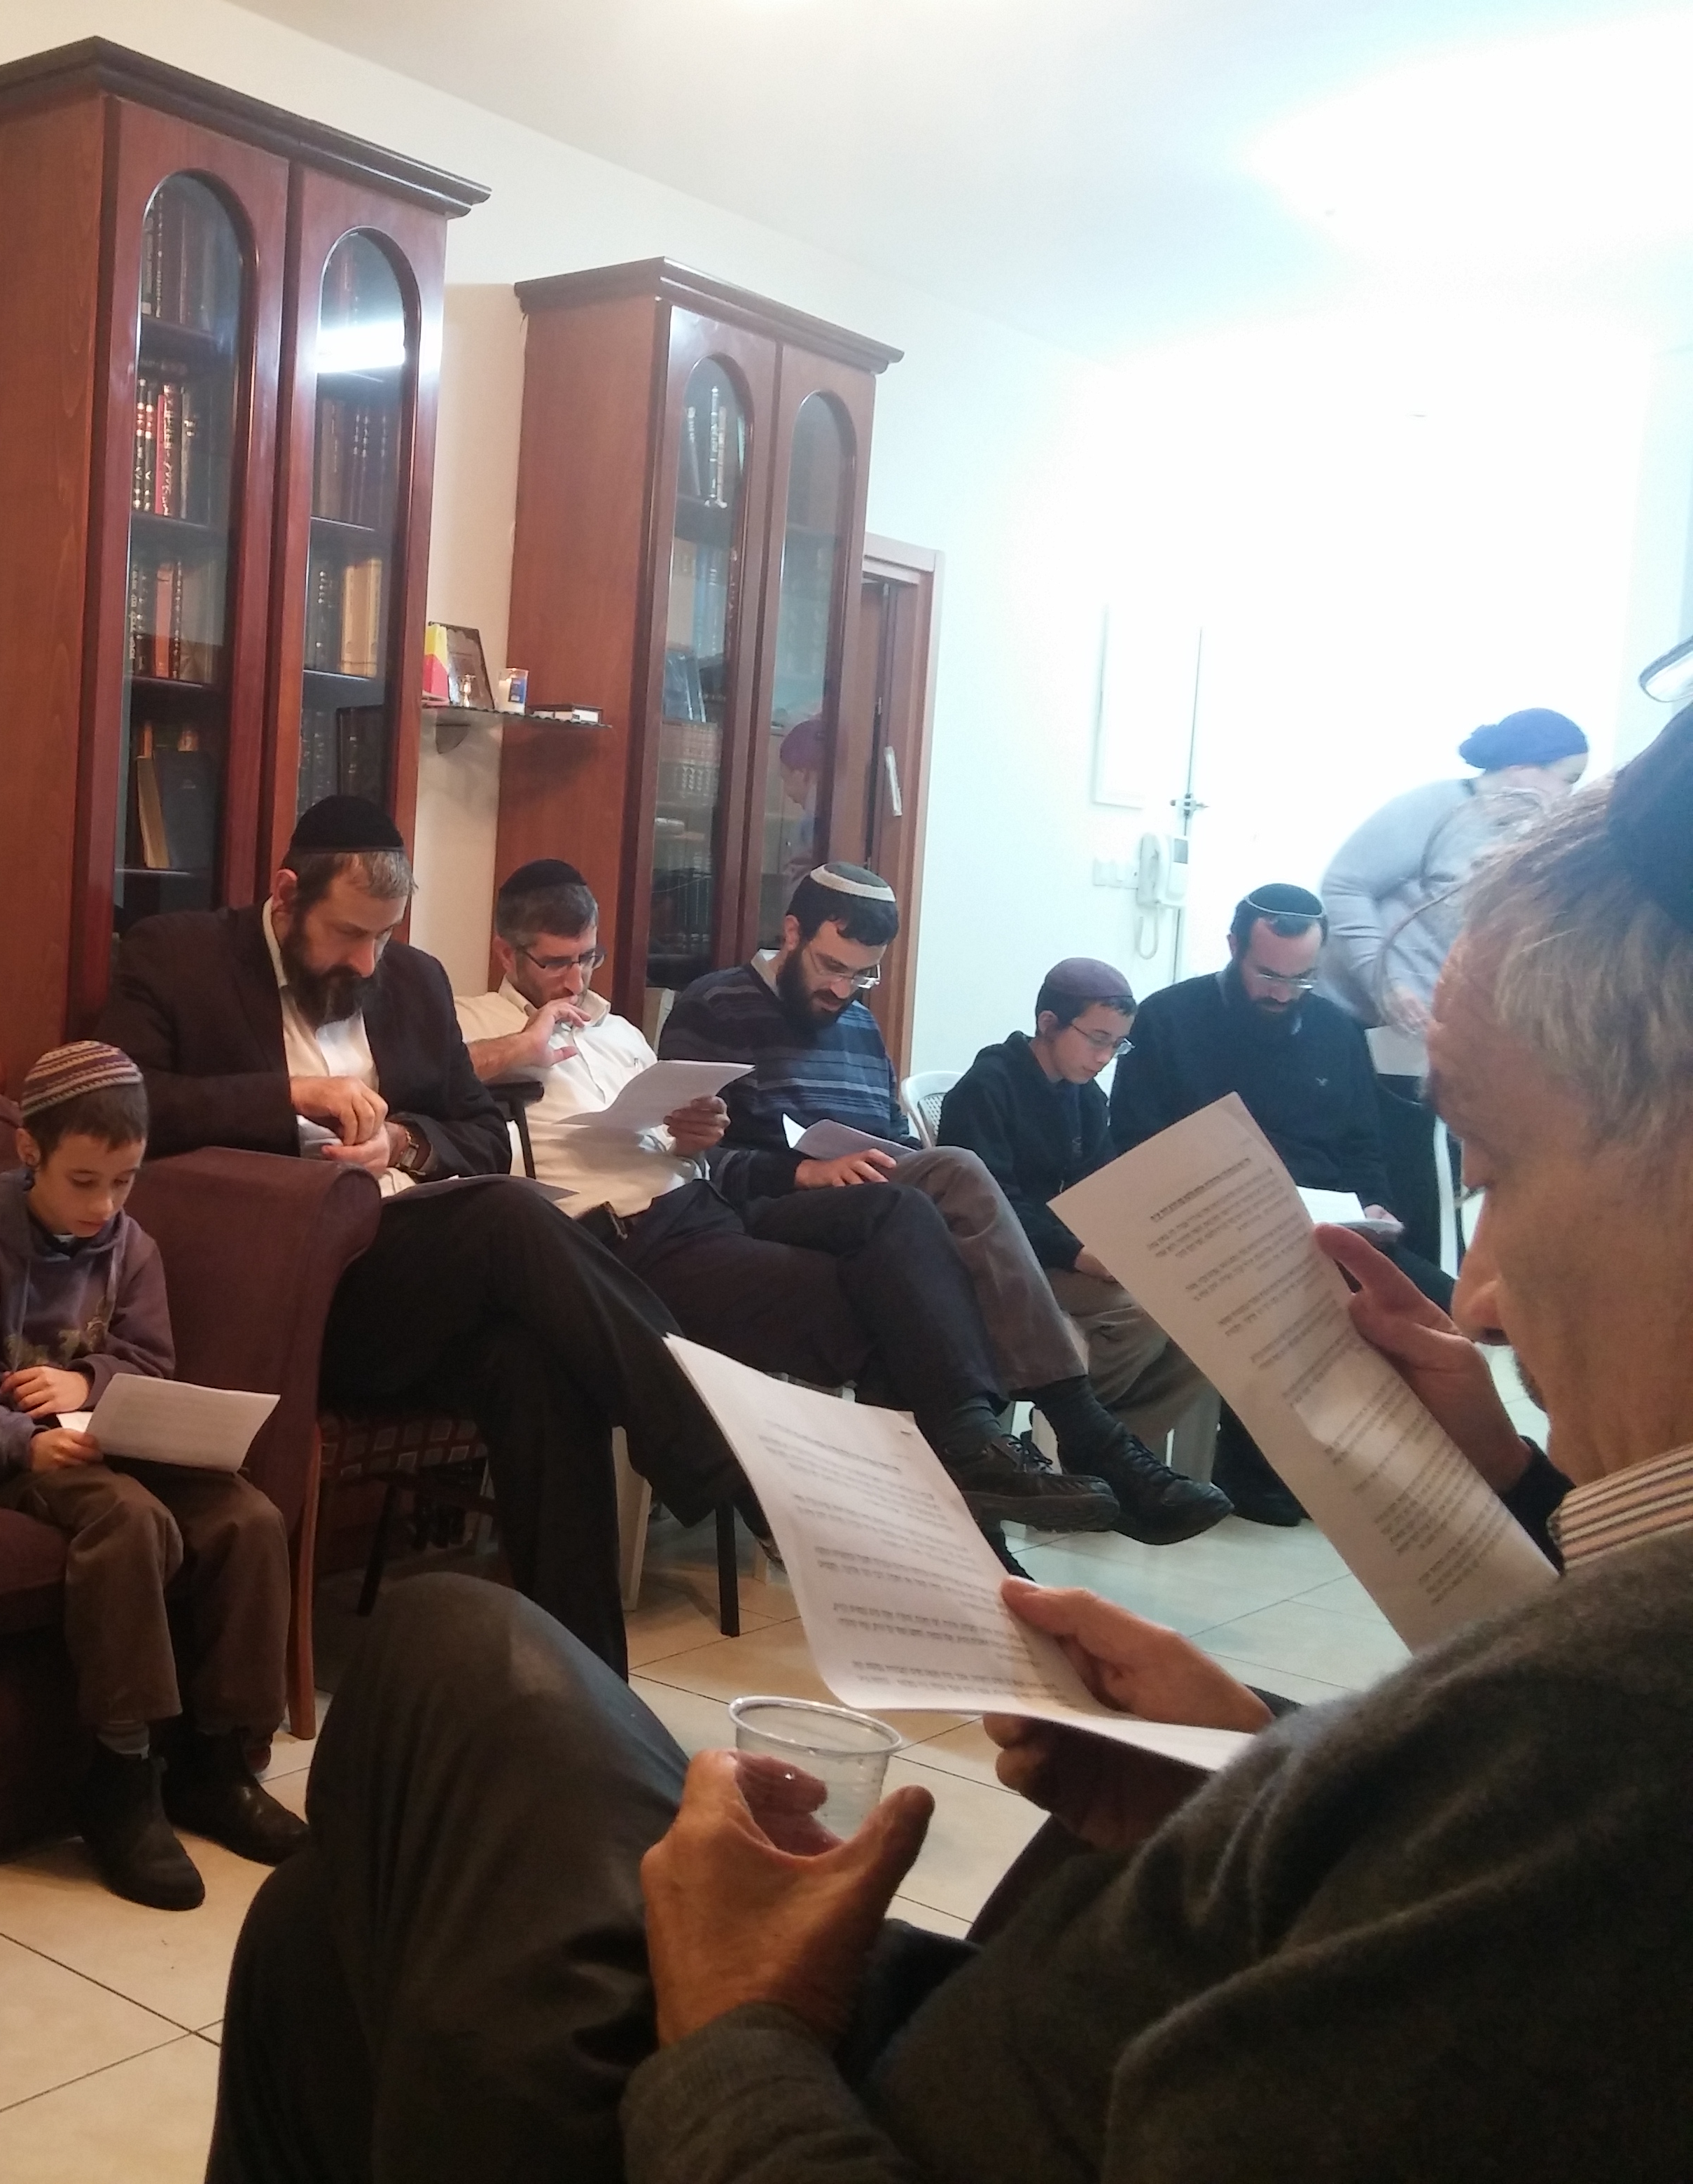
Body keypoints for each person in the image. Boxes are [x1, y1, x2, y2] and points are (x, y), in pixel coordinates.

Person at [207, 701, 1693, 2183]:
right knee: (321, 1920)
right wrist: (1245, 1766)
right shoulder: (1582, 1719)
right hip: (575, 1261)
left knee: (445, 1668)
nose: (1476, 1292)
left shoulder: (1592, 1759)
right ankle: (909, 1441)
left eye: (1489, 1169)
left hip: (814, 2103)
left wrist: (737, 2024)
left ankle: (941, 1443)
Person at [91, 794, 755, 1676]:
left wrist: (404, 1142)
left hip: (409, 1276)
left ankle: (586, 1686)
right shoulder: (178, 956)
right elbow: (121, 1099)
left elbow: (479, 1129)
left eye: (384, 936)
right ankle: (714, 1445)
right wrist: (287, 1095)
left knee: (536, 1365)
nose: (366, 961)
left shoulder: (411, 980)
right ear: (285, 896)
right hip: (289, 1288)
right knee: (507, 1216)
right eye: (347, 935)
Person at [457, 861, 1123, 1539]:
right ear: (507, 955)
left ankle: (955, 1516)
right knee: (905, 1285)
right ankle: (961, 1494)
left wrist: (693, 1132)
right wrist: (523, 1044)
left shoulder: (620, 1032)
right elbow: (424, 1082)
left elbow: (688, 1148)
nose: (575, 981)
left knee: (909, 1293)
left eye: (589, 959)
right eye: (555, 963)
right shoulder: (469, 1025)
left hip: (700, 1210)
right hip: (621, 1240)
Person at [658, 865, 1215, 1544]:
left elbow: (891, 1137)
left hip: (869, 1206)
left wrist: (879, 1156)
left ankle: (981, 1526)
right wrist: (803, 1171)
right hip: (765, 1207)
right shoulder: (714, 1005)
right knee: (954, 1172)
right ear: (792, 933)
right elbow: (685, 1154)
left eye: (862, 975)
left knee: (933, 1235)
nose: (843, 990)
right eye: (831, 967)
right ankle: (1084, 1431)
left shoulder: (858, 1024)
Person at [0, 1041, 304, 1911]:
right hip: (8, 1455)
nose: (103, 1205)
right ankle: (121, 1776)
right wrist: (22, 1441)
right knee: (129, 1520)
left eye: (123, 1182)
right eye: (82, 1181)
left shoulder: (131, 1246)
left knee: (249, 1518)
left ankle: (220, 1760)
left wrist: (87, 1382)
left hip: (106, 1432)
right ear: (29, 1152)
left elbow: (149, 1360)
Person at [932, 957, 1230, 1516]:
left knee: (1202, 1320)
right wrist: (1080, 1254)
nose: (1105, 1057)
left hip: (1055, 1254)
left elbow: (1102, 1190)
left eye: (1117, 1044)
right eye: (1097, 1039)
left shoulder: (1086, 1097)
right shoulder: (988, 1087)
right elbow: (993, 1208)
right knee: (1142, 1317)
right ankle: (1085, 1437)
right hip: (1001, 1259)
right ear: (1048, 1023)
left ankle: (1113, 1459)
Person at [1319, 707, 1589, 1262]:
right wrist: (1386, 981)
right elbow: (1344, 885)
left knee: (1438, 1175)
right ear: (1522, 766)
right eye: (1567, 779)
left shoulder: (1528, 835)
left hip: (1438, 1027)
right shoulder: (1436, 808)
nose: (1568, 795)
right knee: (1415, 1172)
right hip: (1376, 1024)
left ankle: (1431, 1286)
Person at [1110, 882, 1457, 1311]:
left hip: (1326, 1234)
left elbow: (1362, 1145)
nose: (1282, 994)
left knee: (1450, 1308)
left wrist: (1374, 1206)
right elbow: (1134, 1145)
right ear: (1234, 947)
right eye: (1269, 975)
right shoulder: (1167, 1019)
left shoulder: (1337, 1031)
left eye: (1302, 979)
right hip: (1212, 1233)